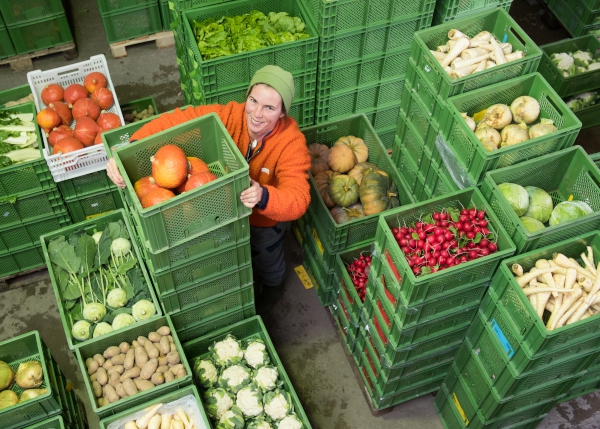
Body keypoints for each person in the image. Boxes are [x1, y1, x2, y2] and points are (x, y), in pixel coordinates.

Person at [106, 65, 311, 316]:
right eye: (253, 101)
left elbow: (299, 199)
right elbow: (179, 118)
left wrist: (263, 195)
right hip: (222, 209)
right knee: (227, 252)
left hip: (263, 220)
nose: (257, 114)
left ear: (282, 113)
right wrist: (131, 147)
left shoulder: (291, 142)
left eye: (269, 108)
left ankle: (273, 288)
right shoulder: (229, 115)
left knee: (266, 259)